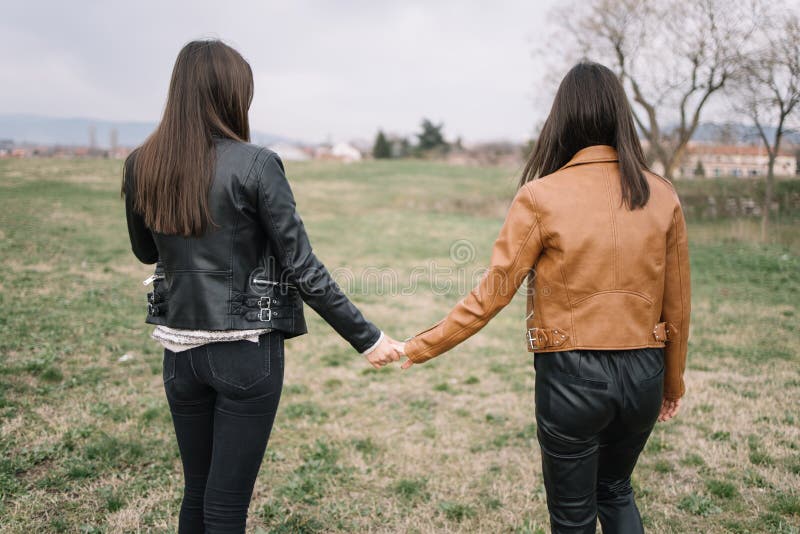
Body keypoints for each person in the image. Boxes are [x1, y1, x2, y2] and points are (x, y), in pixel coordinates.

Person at [395, 62, 691, 533]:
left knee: (573, 518)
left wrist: (421, 345)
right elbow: (677, 306)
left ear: (563, 120)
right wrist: (671, 383)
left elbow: (493, 294)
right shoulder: (661, 194)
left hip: (572, 377)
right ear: (620, 117)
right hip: (644, 377)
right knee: (615, 491)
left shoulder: (540, 196)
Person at [122, 40, 402, 533]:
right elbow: (303, 267)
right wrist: (370, 339)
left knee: (197, 494)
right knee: (225, 507)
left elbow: (147, 252)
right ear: (231, 94)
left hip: (179, 355)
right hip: (246, 355)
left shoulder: (141, 163)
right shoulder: (257, 163)